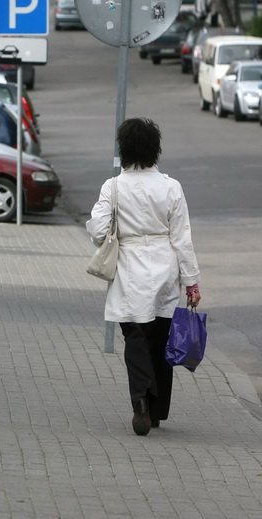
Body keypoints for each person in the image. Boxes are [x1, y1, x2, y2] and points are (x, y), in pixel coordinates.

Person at [86, 118, 202, 436]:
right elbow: (183, 239)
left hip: (129, 269)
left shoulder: (114, 187)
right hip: (165, 269)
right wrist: (192, 282)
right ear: (155, 151)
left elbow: (97, 229)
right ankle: (158, 409)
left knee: (134, 337)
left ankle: (140, 399)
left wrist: (109, 233)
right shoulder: (171, 187)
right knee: (160, 341)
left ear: (123, 151)